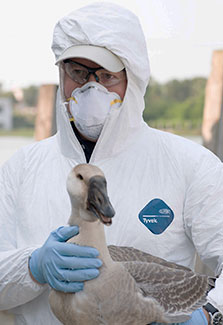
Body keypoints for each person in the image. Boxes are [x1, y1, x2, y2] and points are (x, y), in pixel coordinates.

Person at [0, 2, 223, 324]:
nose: (91, 88)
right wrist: (31, 266)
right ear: (61, 74)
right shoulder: (20, 168)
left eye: (107, 76)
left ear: (133, 79)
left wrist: (209, 314)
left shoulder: (191, 165)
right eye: (78, 72)